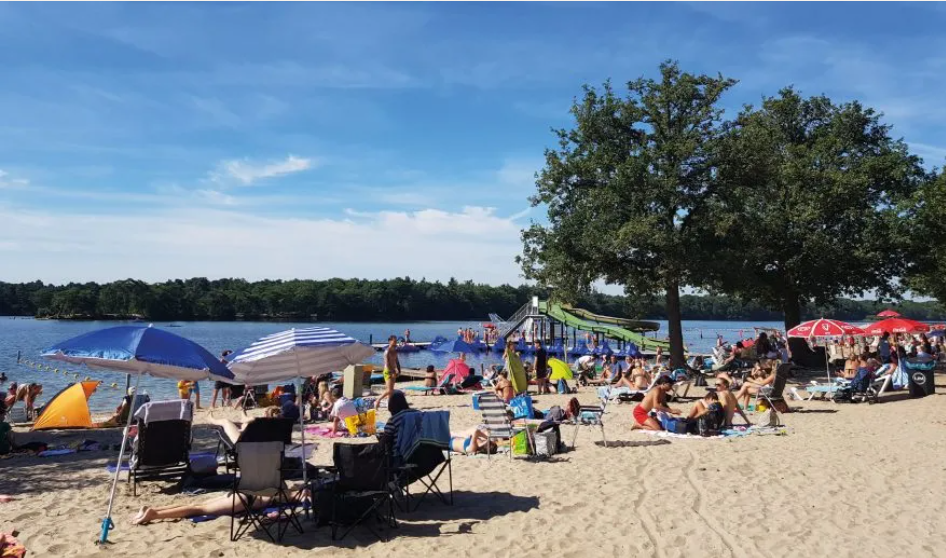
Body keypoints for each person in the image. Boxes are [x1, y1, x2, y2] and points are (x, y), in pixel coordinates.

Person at [129, 488, 308, 525]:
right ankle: (154, 514)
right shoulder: (286, 496)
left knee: (196, 505)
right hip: (244, 501)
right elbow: (299, 495)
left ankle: (152, 511)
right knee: (198, 509)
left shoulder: (276, 487)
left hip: (239, 493)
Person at [375, 336, 401, 410]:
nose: (396, 343)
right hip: (388, 371)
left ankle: (389, 405)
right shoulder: (387, 351)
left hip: (393, 371)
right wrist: (392, 371)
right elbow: (387, 363)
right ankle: (378, 400)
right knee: (389, 390)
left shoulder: (395, 351)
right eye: (394, 341)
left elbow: (397, 361)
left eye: (396, 341)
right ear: (390, 341)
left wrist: (399, 369)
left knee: (391, 390)